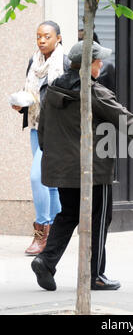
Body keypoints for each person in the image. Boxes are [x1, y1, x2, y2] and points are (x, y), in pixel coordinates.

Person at [30, 40, 133, 291]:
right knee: (100, 218)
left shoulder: (53, 90)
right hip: (93, 170)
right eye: (97, 60)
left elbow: (43, 133)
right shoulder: (94, 92)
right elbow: (129, 122)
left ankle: (46, 261)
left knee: (68, 214)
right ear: (87, 65)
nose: (101, 64)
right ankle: (95, 275)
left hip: (63, 170)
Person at [11, 21, 70, 256]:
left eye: (46, 36)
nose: (42, 40)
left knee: (38, 177)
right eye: (38, 36)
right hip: (36, 126)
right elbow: (33, 91)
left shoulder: (65, 63)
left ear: (58, 38)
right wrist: (21, 105)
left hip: (56, 129)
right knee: (51, 184)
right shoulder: (34, 61)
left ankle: (41, 232)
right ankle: (57, 234)